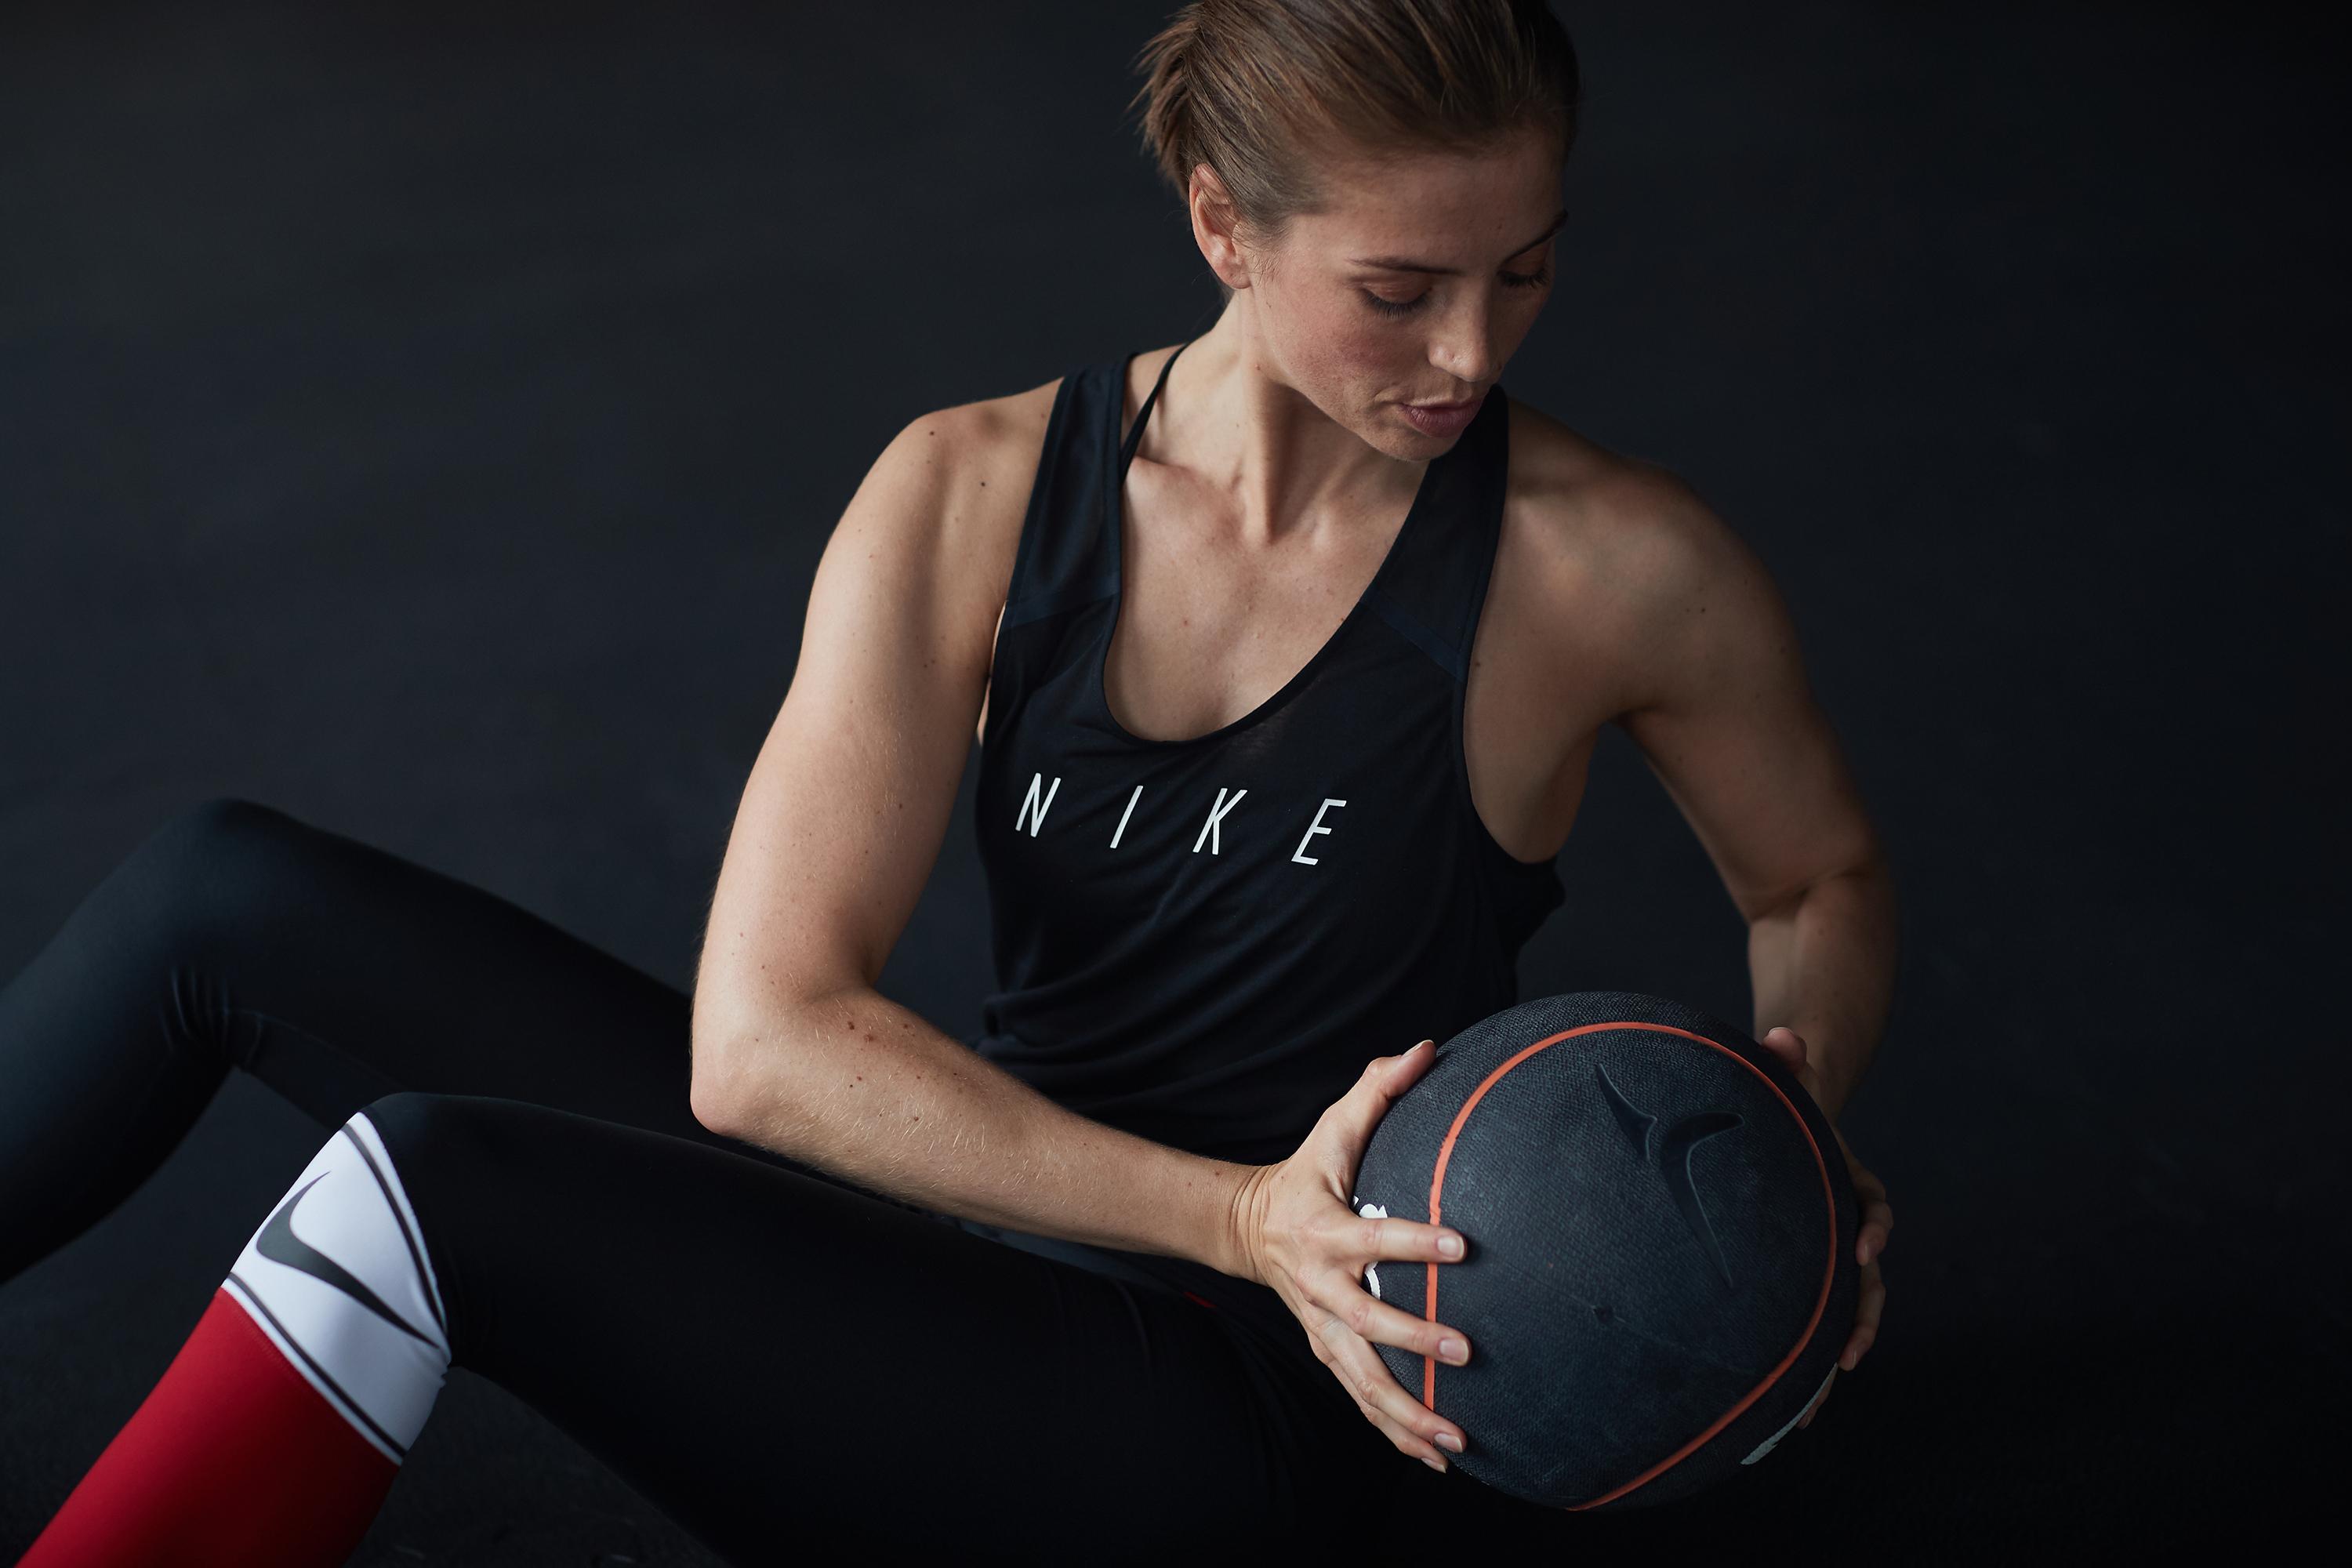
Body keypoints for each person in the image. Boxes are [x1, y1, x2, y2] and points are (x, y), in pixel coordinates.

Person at [5, 1, 1895, 1560]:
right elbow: (761, 1045)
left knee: (428, 1189)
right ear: (1223, 224)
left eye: (1527, 270)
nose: (1472, 350)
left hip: (1272, 1381)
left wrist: (1782, 1140)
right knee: (225, 894)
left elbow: (1812, 884)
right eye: (1400, 290)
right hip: (1006, 1238)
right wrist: (1220, 1196)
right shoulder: (979, 494)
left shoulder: (1606, 568)